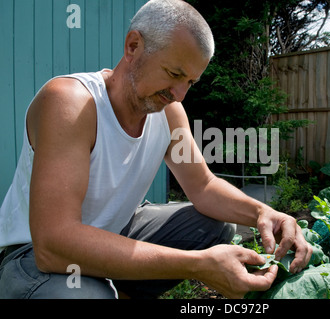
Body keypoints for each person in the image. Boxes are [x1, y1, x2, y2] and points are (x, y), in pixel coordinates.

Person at [0, 0, 312, 299]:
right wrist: (198, 264)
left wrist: (265, 213)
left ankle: (115, 289)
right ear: (133, 46)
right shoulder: (71, 102)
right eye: (175, 74)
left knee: (214, 224)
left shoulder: (169, 113)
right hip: (33, 256)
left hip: (117, 230)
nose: (180, 94)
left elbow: (203, 186)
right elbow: (54, 243)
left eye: (191, 81)